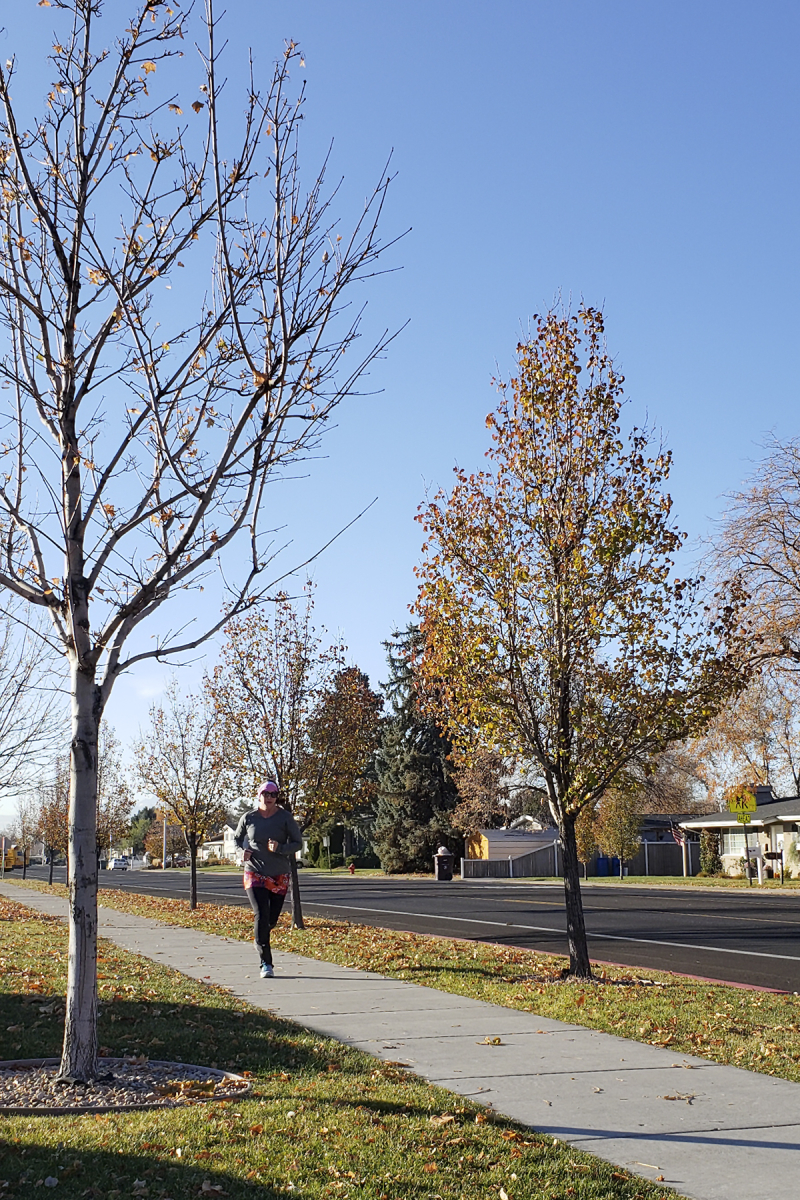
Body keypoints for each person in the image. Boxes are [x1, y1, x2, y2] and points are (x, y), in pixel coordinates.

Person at [234, 781, 303, 978]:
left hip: (279, 874)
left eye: (273, 793)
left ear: (277, 797)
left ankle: (260, 936)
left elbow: (297, 843)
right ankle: (266, 963)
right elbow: (237, 840)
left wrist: (280, 848)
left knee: (271, 919)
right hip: (254, 872)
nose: (269, 797)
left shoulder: (285, 818)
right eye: (265, 793)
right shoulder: (249, 817)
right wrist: (241, 852)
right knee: (261, 914)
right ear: (259, 795)